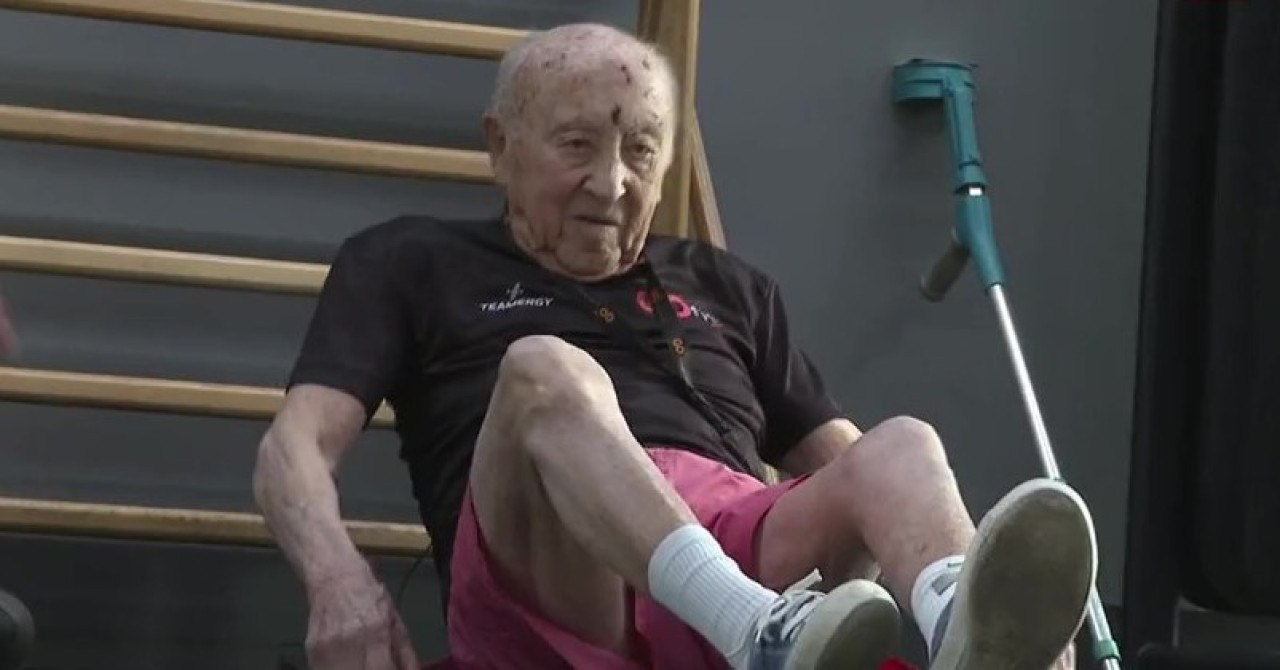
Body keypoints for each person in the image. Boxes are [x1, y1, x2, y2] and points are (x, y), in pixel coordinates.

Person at [253, 22, 1096, 670]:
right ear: (501, 148)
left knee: (903, 444)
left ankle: (974, 638)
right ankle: (749, 629)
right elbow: (294, 446)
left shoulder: (729, 285)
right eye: (577, 145)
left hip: (733, 533)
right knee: (544, 368)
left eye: (641, 150)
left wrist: (983, 572)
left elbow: (847, 462)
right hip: (551, 565)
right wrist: (336, 580)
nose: (612, 183)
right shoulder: (410, 260)